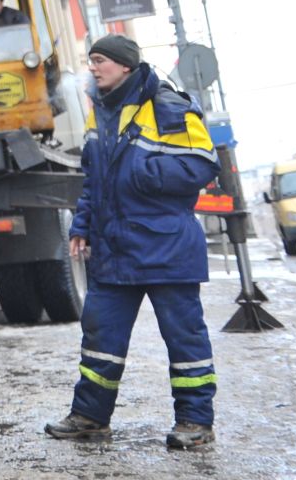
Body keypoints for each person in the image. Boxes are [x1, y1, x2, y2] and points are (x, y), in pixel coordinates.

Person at [45, 33, 219, 450]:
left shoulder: (168, 104)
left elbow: (201, 165)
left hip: (165, 248)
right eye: (90, 59)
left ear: (125, 65)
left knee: (184, 340)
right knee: (100, 338)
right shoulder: (99, 113)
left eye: (100, 59)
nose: (92, 67)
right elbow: (94, 180)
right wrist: (82, 224)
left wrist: (141, 175)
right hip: (114, 248)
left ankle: (195, 422)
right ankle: (90, 417)